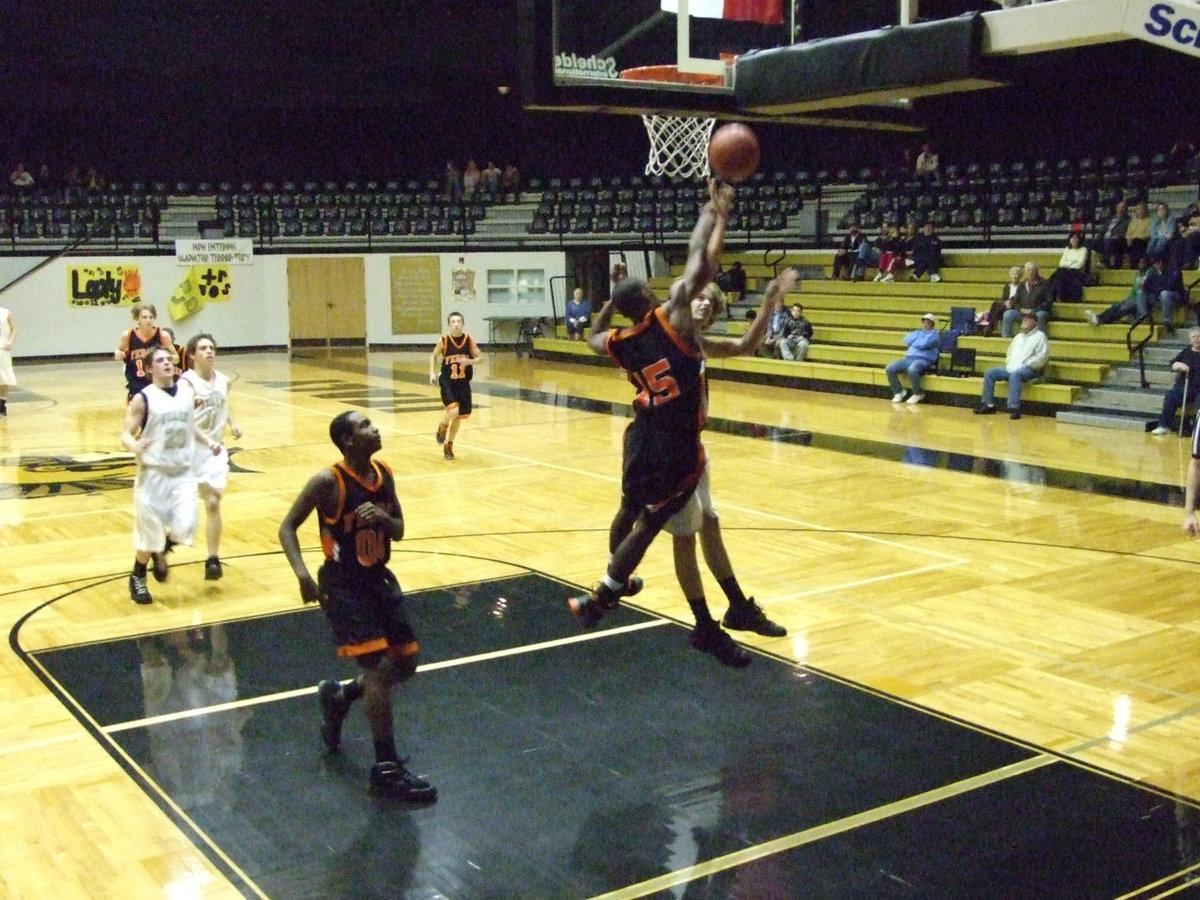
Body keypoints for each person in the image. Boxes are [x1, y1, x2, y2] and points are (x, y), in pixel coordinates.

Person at [568, 179, 733, 628]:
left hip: (640, 437)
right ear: (649, 299)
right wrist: (716, 212)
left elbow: (590, 339)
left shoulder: (623, 340)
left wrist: (609, 301)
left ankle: (614, 573)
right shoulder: (672, 321)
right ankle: (606, 590)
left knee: (629, 510)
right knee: (651, 522)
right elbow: (704, 260)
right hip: (673, 442)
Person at [278, 410, 437, 803]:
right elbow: (287, 527)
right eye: (366, 426)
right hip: (344, 586)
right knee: (379, 670)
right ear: (348, 441)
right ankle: (386, 769)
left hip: (378, 580)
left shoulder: (384, 472)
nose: (376, 428)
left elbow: (399, 531)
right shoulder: (326, 482)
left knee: (405, 663)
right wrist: (302, 574)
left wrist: (382, 517)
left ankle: (340, 697)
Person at [661, 275, 796, 666]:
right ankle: (703, 623)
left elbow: (743, 345)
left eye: (710, 301)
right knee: (684, 536)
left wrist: (770, 300)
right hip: (668, 451)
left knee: (710, 522)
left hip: (693, 446)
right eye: (698, 298)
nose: (704, 304)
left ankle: (737, 606)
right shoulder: (669, 336)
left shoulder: (697, 343)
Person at [120, 347, 218, 605]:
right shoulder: (143, 398)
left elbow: (190, 424)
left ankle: (161, 551)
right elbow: (126, 433)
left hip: (183, 472)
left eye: (169, 359)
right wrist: (134, 445)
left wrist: (208, 441)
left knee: (186, 526)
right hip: (153, 474)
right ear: (150, 369)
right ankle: (138, 576)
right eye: (160, 361)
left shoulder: (187, 393)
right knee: (149, 535)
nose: (166, 363)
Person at [179, 334, 242, 579]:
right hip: (189, 450)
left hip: (214, 450)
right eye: (203, 348)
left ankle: (213, 559)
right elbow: (184, 420)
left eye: (212, 348)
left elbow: (224, 405)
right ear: (192, 354)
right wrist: (206, 440)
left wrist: (233, 423)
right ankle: (162, 545)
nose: (209, 352)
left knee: (213, 502)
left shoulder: (224, 381)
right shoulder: (187, 383)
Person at [973, 310, 1049, 420]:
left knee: (1015, 375)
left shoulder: (1040, 336)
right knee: (990, 373)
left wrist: (1027, 364)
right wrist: (1010, 363)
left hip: (1029, 369)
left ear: (1035, 322)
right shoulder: (1018, 337)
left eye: (1028, 319)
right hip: (1012, 367)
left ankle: (1014, 407)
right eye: (1024, 319)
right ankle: (988, 405)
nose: (1025, 320)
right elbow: (1009, 353)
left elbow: (1042, 357)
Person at [429, 311, 483, 460]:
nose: (456, 324)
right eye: (453, 322)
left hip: (463, 383)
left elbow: (481, 357)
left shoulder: (469, 340)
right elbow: (433, 355)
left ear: (463, 324)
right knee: (453, 411)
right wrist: (432, 373)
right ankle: (443, 425)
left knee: (459, 417)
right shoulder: (444, 341)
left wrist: (470, 362)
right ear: (449, 324)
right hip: (447, 381)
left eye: (458, 321)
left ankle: (449, 444)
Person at [116, 302, 178, 401]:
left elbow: (176, 358)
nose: (148, 320)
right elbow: (118, 351)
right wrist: (118, 354)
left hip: (157, 385)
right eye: (144, 317)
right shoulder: (128, 335)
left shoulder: (163, 335)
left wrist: (164, 359)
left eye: (151, 317)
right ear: (137, 319)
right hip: (136, 386)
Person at [1151, 327, 1200, 436]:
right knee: (1171, 396)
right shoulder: (1186, 351)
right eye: (1194, 337)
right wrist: (1179, 365)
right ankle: (1164, 426)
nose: (1197, 339)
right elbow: (1173, 363)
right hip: (1186, 387)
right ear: (1190, 339)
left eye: (1199, 336)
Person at [884, 313, 941, 405]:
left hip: (924, 360)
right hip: (909, 358)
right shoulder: (917, 332)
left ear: (933, 325)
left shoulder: (935, 335)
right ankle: (899, 391)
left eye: (928, 323)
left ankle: (918, 393)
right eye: (924, 323)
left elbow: (924, 344)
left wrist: (914, 342)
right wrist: (917, 341)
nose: (925, 325)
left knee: (913, 369)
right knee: (890, 368)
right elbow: (906, 340)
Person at [1085, 258, 1151, 326]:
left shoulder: (1150, 274)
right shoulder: (1139, 274)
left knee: (1122, 309)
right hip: (1133, 299)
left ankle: (1101, 320)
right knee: (1116, 306)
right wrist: (1129, 298)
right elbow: (1134, 290)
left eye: (1143, 263)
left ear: (1147, 264)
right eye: (1140, 263)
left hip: (1141, 302)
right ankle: (1099, 317)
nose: (1140, 265)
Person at [1137, 254, 1186, 334]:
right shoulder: (1152, 271)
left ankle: (1168, 320)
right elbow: (1147, 286)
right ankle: (1144, 317)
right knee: (1140, 293)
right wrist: (1143, 286)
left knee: (1164, 293)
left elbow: (1169, 286)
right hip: (1157, 297)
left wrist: (1160, 274)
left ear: (1160, 263)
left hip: (1174, 298)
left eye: (1155, 263)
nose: (1153, 266)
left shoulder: (1175, 271)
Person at [1000, 261, 1050, 337]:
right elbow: (1015, 300)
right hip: (1022, 311)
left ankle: (1040, 339)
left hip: (1037, 311)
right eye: (1028, 270)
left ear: (1037, 271)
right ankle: (1006, 339)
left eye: (1032, 270)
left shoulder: (1045, 284)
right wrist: (1020, 309)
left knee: (1041, 315)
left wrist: (1034, 310)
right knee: (1008, 314)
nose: (1030, 273)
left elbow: (1048, 302)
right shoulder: (1022, 284)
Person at [1045, 230, 1091, 303]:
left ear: (1079, 239)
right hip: (1065, 271)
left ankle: (1059, 296)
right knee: (1060, 273)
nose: (1074, 240)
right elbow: (1061, 263)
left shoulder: (1083, 250)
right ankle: (1054, 296)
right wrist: (1072, 263)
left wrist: (1068, 264)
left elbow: (1079, 264)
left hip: (1077, 272)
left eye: (1076, 238)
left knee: (1063, 274)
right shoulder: (1067, 249)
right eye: (1072, 238)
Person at [985, 265, 1023, 337]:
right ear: (1010, 276)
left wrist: (1010, 302)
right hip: (1006, 306)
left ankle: (990, 326)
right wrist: (1005, 303)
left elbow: (1020, 299)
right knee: (995, 305)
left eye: (1016, 274)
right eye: (1013, 274)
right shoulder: (1007, 286)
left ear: (1019, 276)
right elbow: (1004, 298)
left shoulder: (1022, 286)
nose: (1014, 276)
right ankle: (990, 326)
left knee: (997, 307)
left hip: (1015, 307)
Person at [1096, 199, 1130, 270]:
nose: (1121, 209)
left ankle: (1106, 262)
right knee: (1091, 242)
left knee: (1108, 240)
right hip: (1105, 238)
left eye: (1123, 207)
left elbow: (1123, 231)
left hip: (1118, 239)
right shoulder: (1110, 219)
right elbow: (1103, 229)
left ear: (1126, 209)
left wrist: (1118, 235)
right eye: (1119, 207)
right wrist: (1099, 235)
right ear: (1116, 208)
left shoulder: (1127, 220)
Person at [1125, 200, 1152, 265]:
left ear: (1145, 210)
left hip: (1143, 241)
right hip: (1131, 241)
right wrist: (1129, 239)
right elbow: (1128, 233)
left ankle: (1134, 265)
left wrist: (1137, 238)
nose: (1140, 211)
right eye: (1138, 209)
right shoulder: (1133, 221)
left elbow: (1149, 234)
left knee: (1136, 242)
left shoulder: (1150, 221)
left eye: (1142, 209)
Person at [0, 305, 15, 418]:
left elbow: (15, 328)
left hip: (2, 350)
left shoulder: (5, 312)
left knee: (4, 379)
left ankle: (2, 406)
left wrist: (10, 341)